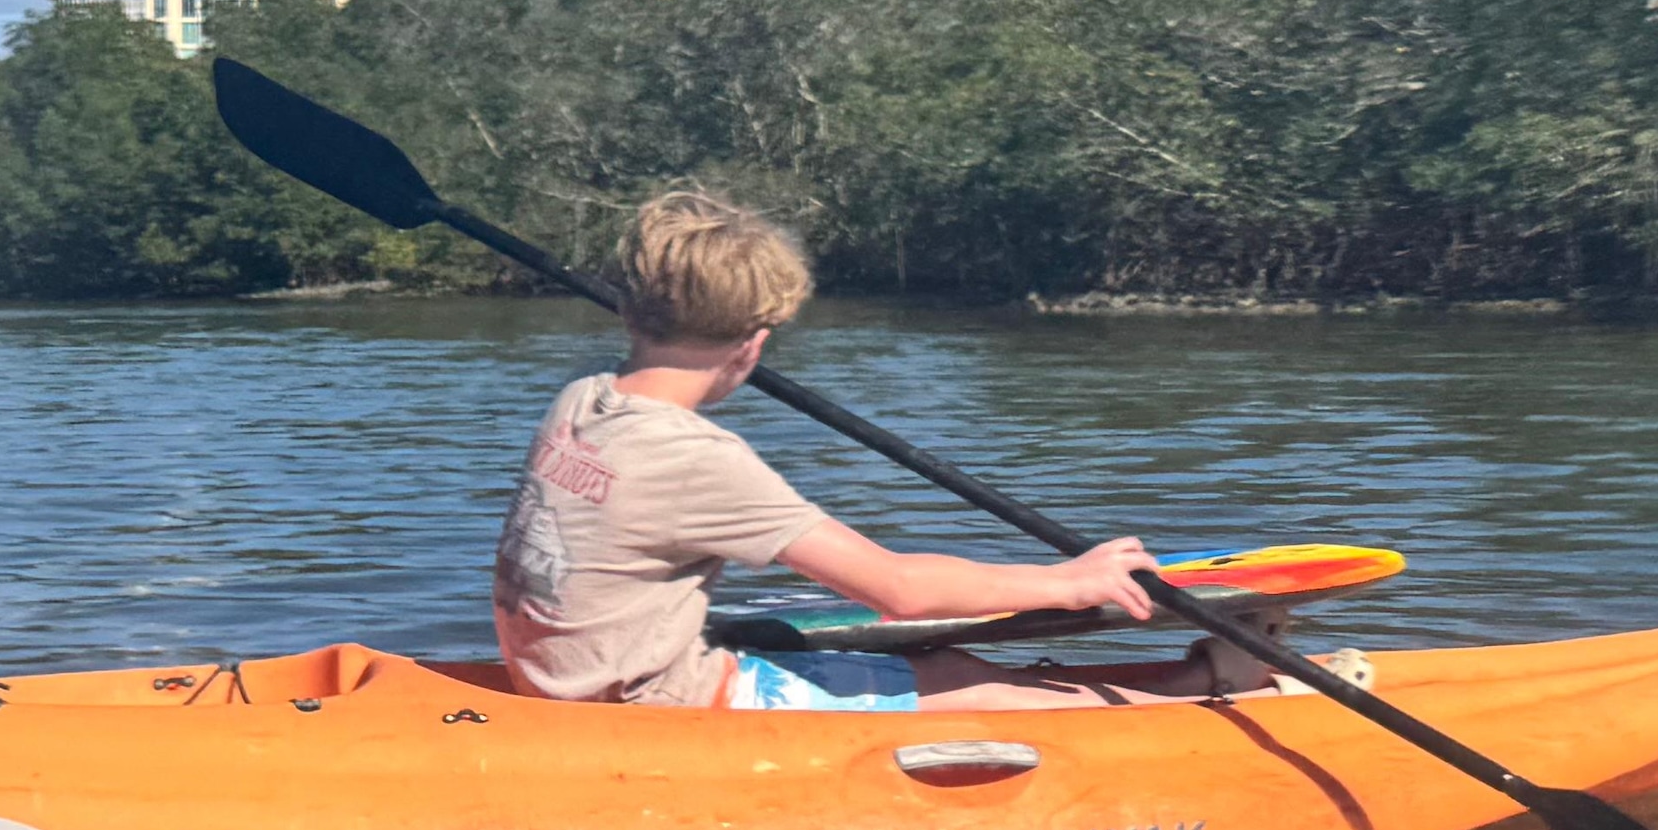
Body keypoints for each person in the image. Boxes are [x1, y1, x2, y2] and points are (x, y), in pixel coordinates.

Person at [490, 187, 1320, 712]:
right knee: (962, 677)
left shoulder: (584, 401)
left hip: (563, 669)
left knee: (911, 656)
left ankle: (1189, 676)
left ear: (631, 316)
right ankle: (1206, 689)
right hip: (655, 697)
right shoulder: (697, 458)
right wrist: (1072, 580)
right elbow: (897, 590)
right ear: (753, 345)